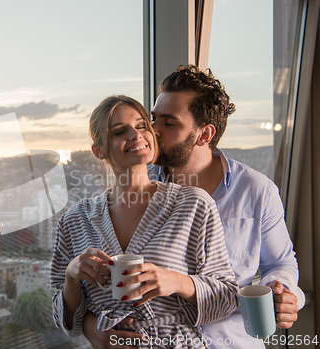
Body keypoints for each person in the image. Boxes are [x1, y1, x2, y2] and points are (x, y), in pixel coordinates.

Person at [82, 65, 305, 348]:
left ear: (204, 135)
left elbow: (280, 262)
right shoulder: (135, 185)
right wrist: (90, 325)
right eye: (153, 118)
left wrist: (285, 291)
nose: (153, 131)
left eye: (169, 122)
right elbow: (98, 281)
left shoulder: (256, 190)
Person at [51, 95, 239, 349]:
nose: (136, 135)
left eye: (142, 126)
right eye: (119, 131)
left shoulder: (193, 204)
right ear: (99, 151)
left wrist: (176, 281)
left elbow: (227, 297)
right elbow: (65, 321)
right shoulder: (74, 221)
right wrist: (72, 275)